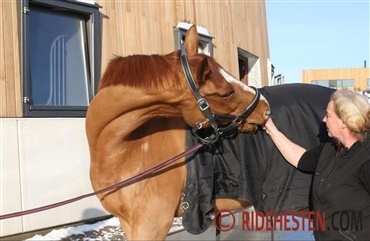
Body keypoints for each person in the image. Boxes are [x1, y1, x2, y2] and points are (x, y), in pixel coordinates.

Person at [263, 88, 370, 240]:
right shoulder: (330, 149)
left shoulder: (365, 158)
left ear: (344, 122)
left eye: (328, 115)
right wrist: (271, 129)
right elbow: (301, 159)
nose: (324, 120)